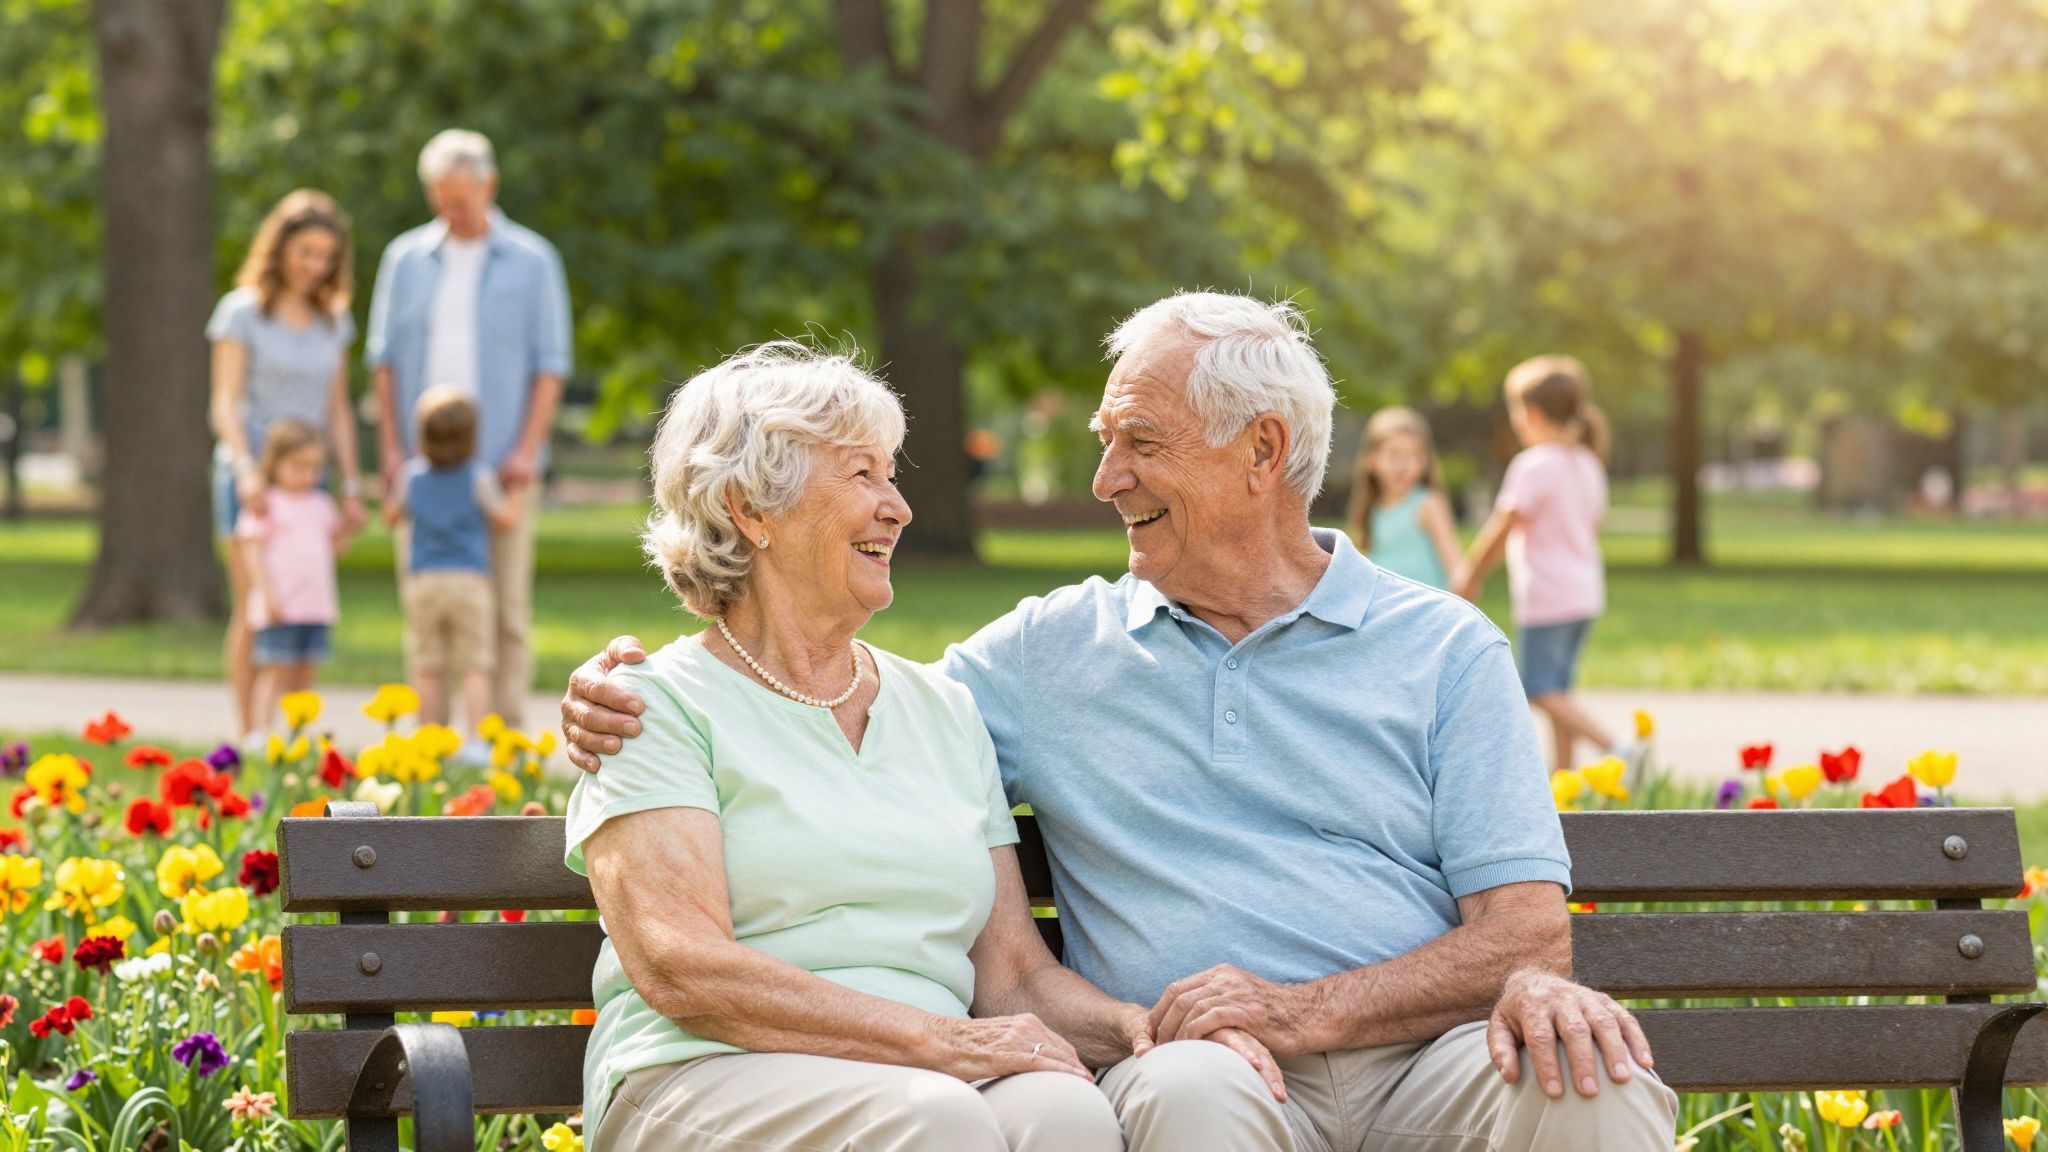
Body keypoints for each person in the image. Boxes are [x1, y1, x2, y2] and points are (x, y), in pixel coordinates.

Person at [562, 295, 1678, 1151]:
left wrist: (1324, 1008)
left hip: (1422, 1055)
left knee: (1589, 1076)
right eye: (1105, 441)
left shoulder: (1443, 648)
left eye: (1138, 442)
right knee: (1173, 1092)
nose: (1104, 479)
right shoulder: (1034, 659)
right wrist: (613, 685)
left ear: (1261, 454)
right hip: (1197, 1069)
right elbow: (783, 689)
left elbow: (1526, 936)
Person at [559, 341, 1244, 1152]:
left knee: (1068, 1114)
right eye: (861, 476)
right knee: (938, 1123)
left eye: (892, 476)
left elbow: (1015, 976)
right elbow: (686, 969)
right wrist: (935, 1043)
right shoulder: (654, 706)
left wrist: (1142, 1031)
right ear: (750, 508)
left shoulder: (942, 710)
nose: (898, 507)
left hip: (920, 1077)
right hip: (701, 1071)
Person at [365, 128, 572, 725]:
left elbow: (550, 366)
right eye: (440, 197)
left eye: (462, 197)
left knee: (504, 609)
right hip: (423, 472)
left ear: (490, 186)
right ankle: (431, 745)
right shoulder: (404, 260)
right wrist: (391, 454)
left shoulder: (533, 261)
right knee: (425, 607)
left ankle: (500, 737)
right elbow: (384, 363)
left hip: (502, 465)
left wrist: (527, 451)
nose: (451, 210)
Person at [208, 188, 364, 743]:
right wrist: (247, 468)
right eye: (305, 253)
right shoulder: (241, 312)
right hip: (250, 478)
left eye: (325, 255)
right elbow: (224, 401)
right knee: (258, 607)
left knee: (303, 603)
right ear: (279, 249)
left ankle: (292, 735)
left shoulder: (333, 320)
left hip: (309, 479)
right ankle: (249, 734)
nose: (314, 266)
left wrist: (350, 483)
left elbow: (337, 408)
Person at [1450, 355, 1623, 775]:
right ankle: (1562, 784)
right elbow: (1592, 527)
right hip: (1584, 593)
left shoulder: (1534, 465)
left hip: (1547, 595)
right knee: (1558, 690)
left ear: (1530, 413)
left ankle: (1617, 749)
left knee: (1538, 687)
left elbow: (1501, 528)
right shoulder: (1588, 464)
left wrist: (1469, 577)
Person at [386, 386, 524, 739]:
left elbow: (391, 515)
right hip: (469, 580)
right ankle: (477, 741)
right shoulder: (477, 476)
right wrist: (518, 491)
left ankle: (428, 737)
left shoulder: (411, 476)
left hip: (424, 580)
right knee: (475, 665)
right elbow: (504, 518)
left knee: (428, 665)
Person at [235, 419, 350, 733]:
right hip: (280, 606)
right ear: (276, 463)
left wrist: (347, 530)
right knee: (275, 671)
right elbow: (252, 551)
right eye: (298, 466)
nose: (308, 475)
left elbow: (331, 549)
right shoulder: (266, 505)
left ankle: (296, 733)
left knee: (304, 676)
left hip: (315, 606)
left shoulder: (321, 504)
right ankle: (260, 732)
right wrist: (265, 594)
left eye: (315, 467)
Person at [1346, 406, 1461, 588]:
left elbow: (1456, 569)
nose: (1404, 465)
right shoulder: (1372, 510)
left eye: (1414, 455)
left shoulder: (1428, 504)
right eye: (1394, 454)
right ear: (1371, 459)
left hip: (1427, 612)